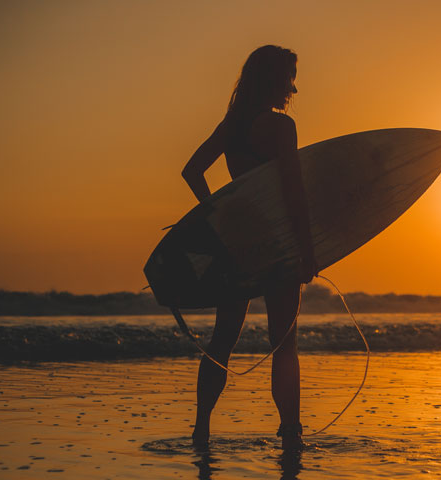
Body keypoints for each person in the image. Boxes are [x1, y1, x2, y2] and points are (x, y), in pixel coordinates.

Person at [180, 45, 317, 451]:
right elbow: (293, 193)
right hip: (276, 241)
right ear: (274, 79)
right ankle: (290, 430)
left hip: (237, 242)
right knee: (283, 342)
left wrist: (215, 212)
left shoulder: (233, 126)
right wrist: (308, 248)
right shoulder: (280, 127)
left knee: (223, 340)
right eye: (289, 77)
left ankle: (201, 428)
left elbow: (191, 171)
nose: (293, 87)